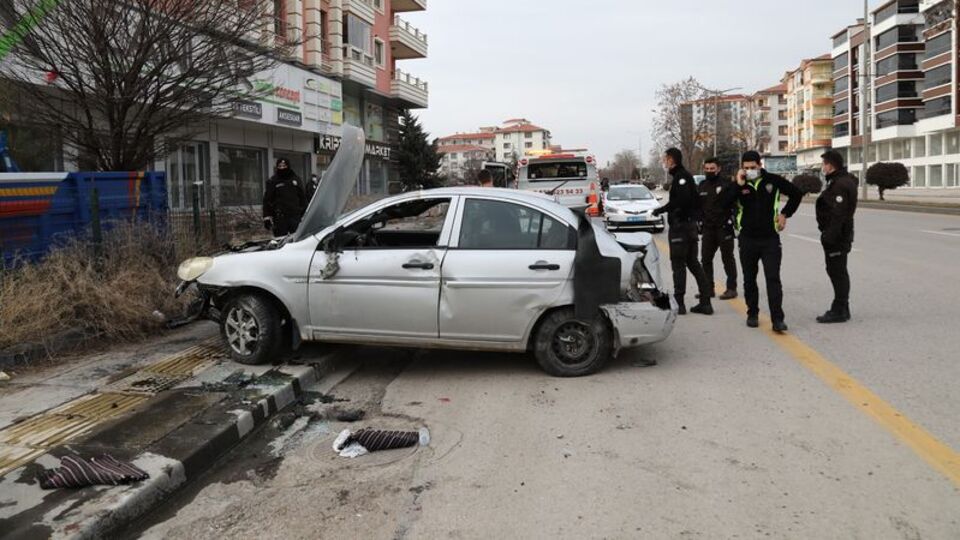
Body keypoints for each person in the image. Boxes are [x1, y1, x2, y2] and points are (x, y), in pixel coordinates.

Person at [720, 151, 802, 332]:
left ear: (760, 165)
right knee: (749, 280)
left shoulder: (773, 181)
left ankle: (777, 319)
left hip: (770, 240)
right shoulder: (739, 185)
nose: (749, 171)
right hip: (747, 239)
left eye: (753, 167)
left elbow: (796, 194)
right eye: (746, 168)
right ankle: (752, 313)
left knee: (773, 279)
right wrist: (737, 185)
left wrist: (784, 214)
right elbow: (723, 204)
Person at [651, 148, 713, 316]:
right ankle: (705, 302)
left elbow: (682, 201)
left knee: (679, 265)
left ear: (672, 160)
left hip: (682, 229)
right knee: (693, 263)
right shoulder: (682, 176)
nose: (664, 162)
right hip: (688, 227)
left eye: (665, 159)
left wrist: (663, 210)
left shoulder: (681, 177)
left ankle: (680, 303)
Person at [815, 150, 858, 324]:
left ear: (831, 165)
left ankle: (839, 309)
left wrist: (829, 236)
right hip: (839, 234)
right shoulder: (838, 181)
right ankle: (843, 308)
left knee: (837, 272)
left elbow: (839, 214)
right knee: (837, 271)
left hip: (837, 236)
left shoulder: (840, 184)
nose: (822, 166)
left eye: (824, 163)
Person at [698, 158, 738, 300]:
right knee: (705, 259)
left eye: (712, 169)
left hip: (724, 228)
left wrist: (733, 220)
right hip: (708, 229)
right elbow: (698, 206)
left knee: (727, 258)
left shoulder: (727, 185)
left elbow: (734, 204)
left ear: (718, 169)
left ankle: (731, 288)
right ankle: (708, 289)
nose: (709, 171)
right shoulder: (702, 185)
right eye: (707, 169)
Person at [262, 158, 307, 236]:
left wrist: (304, 214)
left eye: (284, 166)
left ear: (288, 166)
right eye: (280, 166)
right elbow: (267, 200)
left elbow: (302, 197)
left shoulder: (296, 179)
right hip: (280, 218)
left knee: (296, 240)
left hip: (295, 216)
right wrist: (266, 217)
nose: (282, 168)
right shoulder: (273, 181)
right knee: (281, 241)